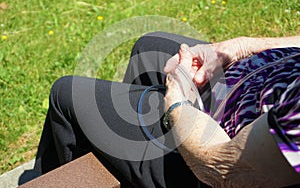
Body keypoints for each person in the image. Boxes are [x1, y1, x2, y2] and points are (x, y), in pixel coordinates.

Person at [34, 31, 300, 187]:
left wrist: (176, 104)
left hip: (211, 152)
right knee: (148, 48)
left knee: (66, 94)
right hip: (245, 92)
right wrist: (240, 48)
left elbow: (227, 172)